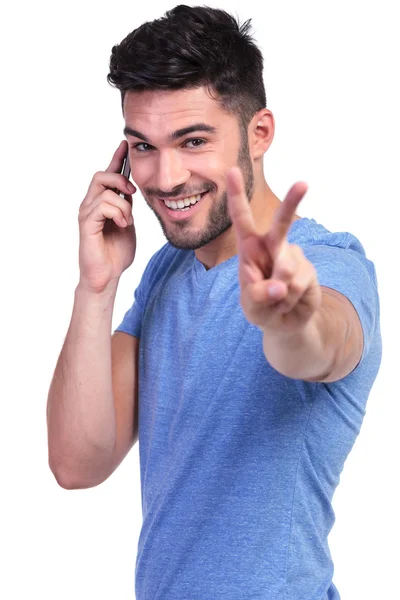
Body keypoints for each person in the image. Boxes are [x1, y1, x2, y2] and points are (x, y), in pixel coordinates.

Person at [46, 5, 382, 599]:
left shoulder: (328, 265)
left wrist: (289, 316)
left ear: (260, 133)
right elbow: (77, 464)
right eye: (143, 146)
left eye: (193, 140)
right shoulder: (167, 271)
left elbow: (319, 346)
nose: (166, 176)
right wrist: (96, 287)